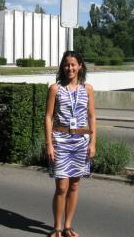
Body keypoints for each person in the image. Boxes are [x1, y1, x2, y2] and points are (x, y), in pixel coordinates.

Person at [44, 51, 96, 237]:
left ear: (80, 66)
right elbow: (48, 117)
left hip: (80, 142)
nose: (70, 68)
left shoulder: (87, 89)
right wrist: (49, 144)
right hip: (60, 141)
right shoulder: (55, 89)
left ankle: (67, 226)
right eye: (66, 64)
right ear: (62, 67)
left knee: (74, 186)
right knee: (61, 187)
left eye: (73, 64)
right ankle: (57, 227)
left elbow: (92, 116)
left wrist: (93, 143)